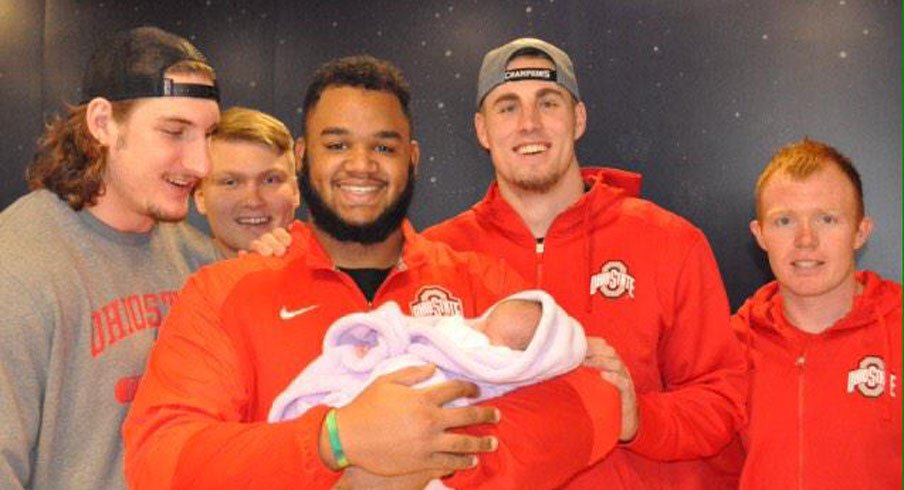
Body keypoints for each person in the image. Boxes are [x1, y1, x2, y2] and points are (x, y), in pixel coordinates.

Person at [123, 55, 621, 490]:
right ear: (302, 156)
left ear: (413, 158)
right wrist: (333, 442)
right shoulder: (224, 292)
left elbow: (592, 402)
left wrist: (423, 468)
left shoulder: (478, 281)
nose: (360, 165)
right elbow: (160, 461)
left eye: (383, 147)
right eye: (337, 145)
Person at [422, 37, 748, 488]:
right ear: (482, 130)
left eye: (548, 102)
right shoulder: (433, 257)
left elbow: (724, 400)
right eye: (508, 107)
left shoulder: (669, 242)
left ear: (577, 119)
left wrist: (637, 418)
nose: (529, 124)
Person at [0, 27, 219, 490]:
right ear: (102, 124)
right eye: (175, 132)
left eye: (208, 135)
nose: (202, 164)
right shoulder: (16, 269)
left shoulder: (203, 263)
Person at [732, 138, 902, 489]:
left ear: (860, 231)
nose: (806, 240)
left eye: (827, 219)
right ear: (760, 234)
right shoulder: (728, 346)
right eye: (784, 222)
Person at [268, 289, 586, 422]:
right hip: (333, 426)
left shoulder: (474, 270)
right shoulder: (445, 327)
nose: (477, 332)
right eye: (485, 322)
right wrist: (380, 347)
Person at [194, 106, 300, 258]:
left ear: (296, 191)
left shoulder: (333, 275)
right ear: (201, 198)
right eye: (230, 183)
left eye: (270, 180)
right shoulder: (175, 278)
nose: (253, 201)